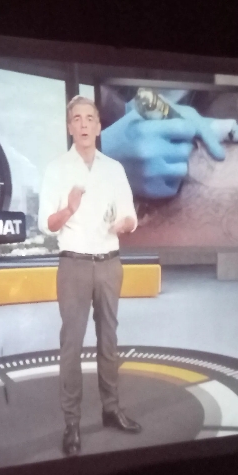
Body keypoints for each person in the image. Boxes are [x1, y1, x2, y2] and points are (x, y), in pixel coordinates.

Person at [38, 96, 141, 456]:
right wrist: (69, 208)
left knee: (109, 340)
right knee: (72, 345)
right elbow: (46, 225)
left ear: (99, 126)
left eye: (90, 119)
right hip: (74, 266)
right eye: (77, 119)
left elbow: (130, 216)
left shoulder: (114, 169)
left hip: (110, 263)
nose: (83, 125)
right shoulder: (56, 169)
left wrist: (125, 223)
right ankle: (72, 423)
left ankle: (111, 410)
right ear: (70, 127)